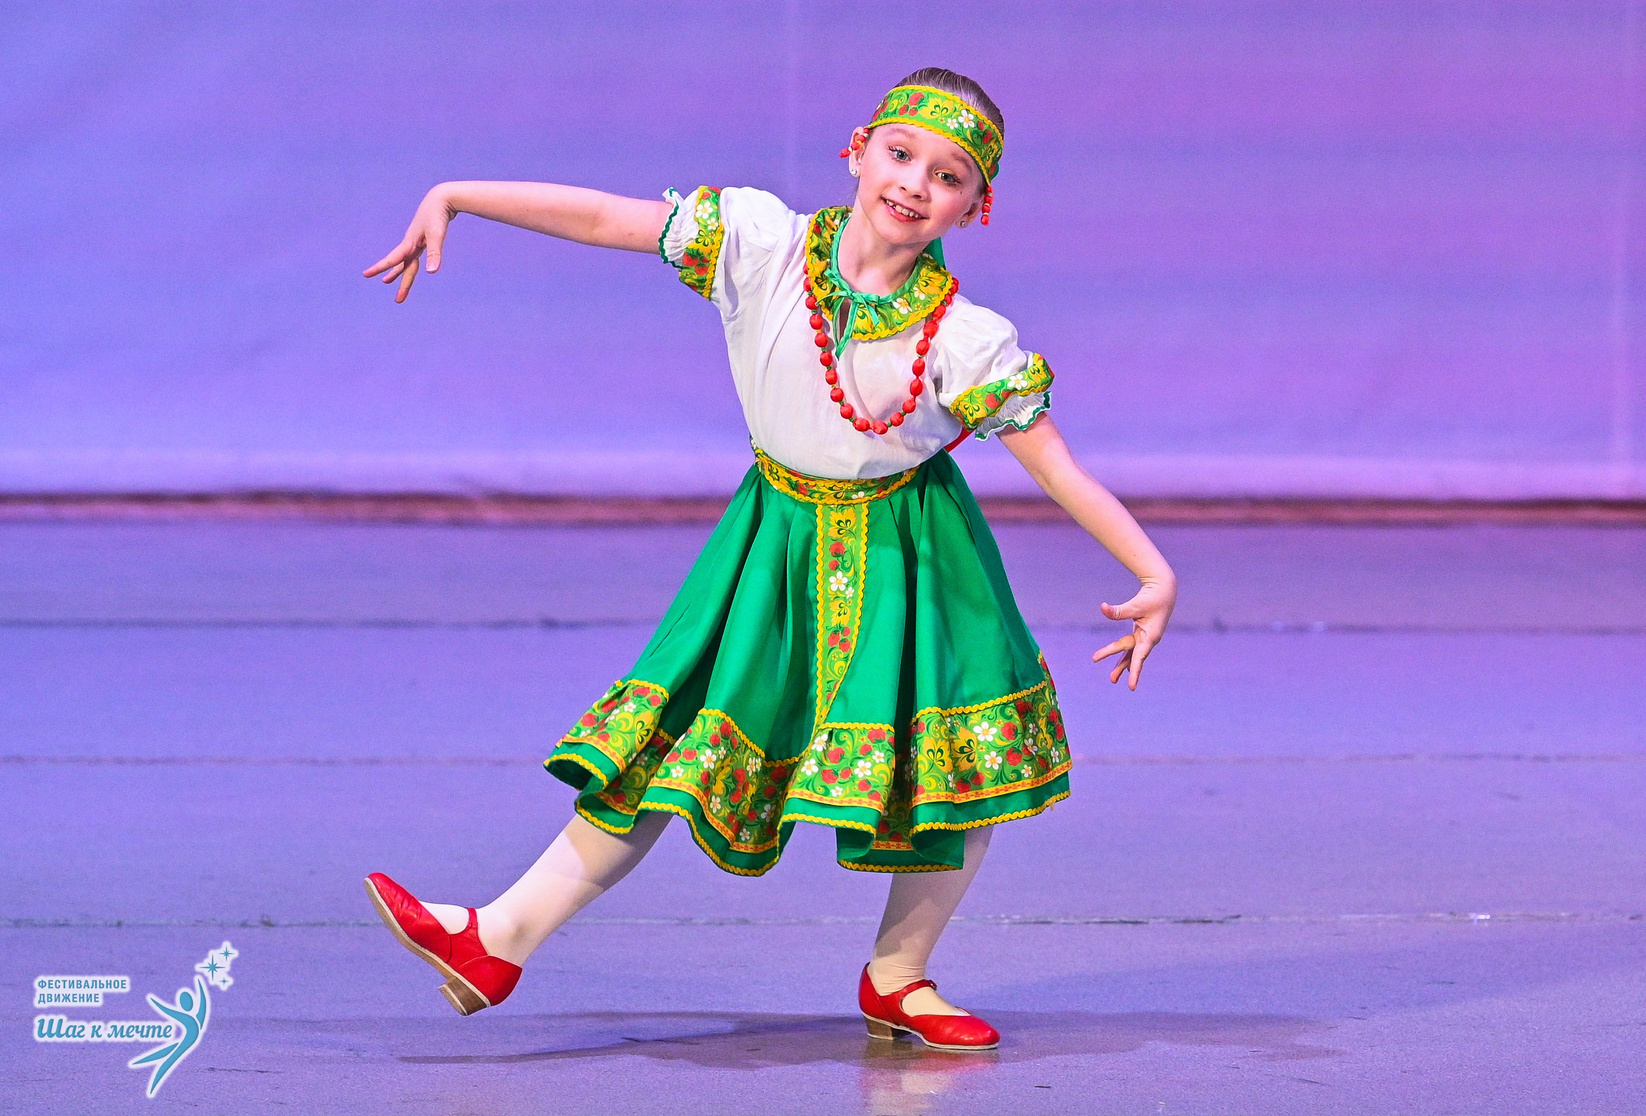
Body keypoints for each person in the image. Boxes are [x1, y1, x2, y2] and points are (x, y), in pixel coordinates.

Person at [360, 67, 1176, 1052]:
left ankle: (899, 976)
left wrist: (1153, 571)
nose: (916, 184)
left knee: (955, 763)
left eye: (949, 175)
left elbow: (1059, 468)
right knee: (669, 737)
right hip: (776, 545)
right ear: (858, 149)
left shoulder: (967, 339)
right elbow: (605, 218)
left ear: (977, 206)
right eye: (902, 154)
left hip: (916, 560)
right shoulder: (759, 242)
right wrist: (457, 194)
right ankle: (498, 936)